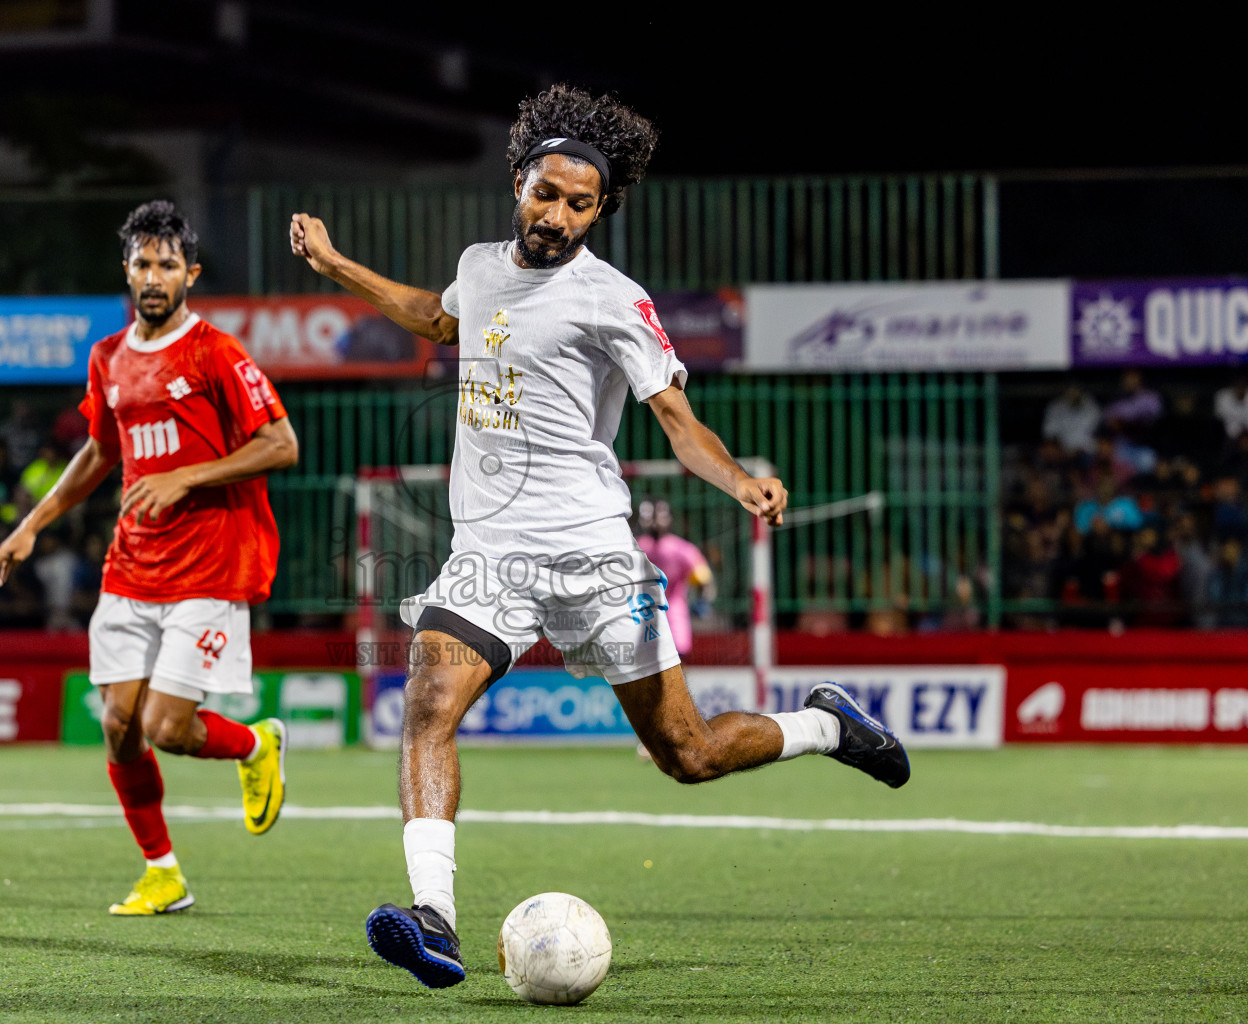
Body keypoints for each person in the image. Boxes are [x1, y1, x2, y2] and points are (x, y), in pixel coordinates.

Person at [291, 84, 910, 990]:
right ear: (518, 181)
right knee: (428, 706)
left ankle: (824, 726)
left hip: (592, 554)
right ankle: (436, 920)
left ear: (601, 208)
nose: (559, 215)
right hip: (487, 556)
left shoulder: (615, 299)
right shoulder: (482, 264)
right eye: (547, 194)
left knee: (687, 754)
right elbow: (437, 314)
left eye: (581, 204)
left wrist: (741, 480)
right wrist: (341, 266)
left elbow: (676, 418)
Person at [0, 200, 300, 916]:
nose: (152, 276)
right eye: (141, 263)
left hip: (209, 566)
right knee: (120, 726)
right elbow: (99, 452)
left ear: (190, 273)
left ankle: (254, 746)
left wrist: (186, 474)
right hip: (131, 568)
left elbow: (282, 445)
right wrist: (31, 524)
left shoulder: (216, 352)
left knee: (165, 726)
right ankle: (162, 872)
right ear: (126, 271)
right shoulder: (109, 358)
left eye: (166, 264)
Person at [634, 497, 713, 656]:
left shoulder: (682, 549)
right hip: (641, 616)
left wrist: (702, 601)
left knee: (676, 660)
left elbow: (704, 579)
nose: (655, 521)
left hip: (674, 615)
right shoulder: (637, 546)